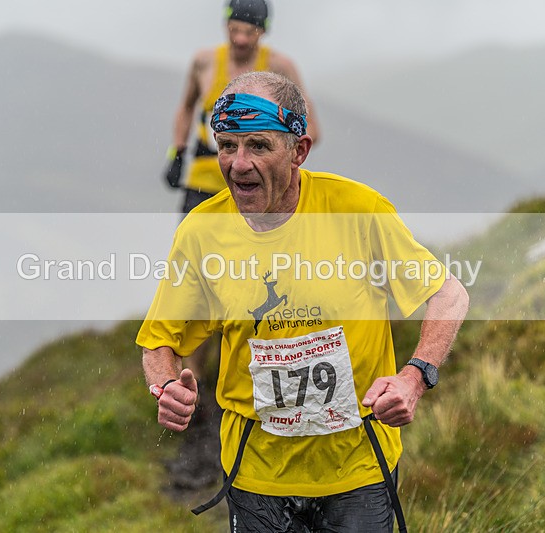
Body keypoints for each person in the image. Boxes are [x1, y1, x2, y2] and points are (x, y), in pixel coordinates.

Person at [139, 72, 469, 532]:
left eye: (258, 145)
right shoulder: (201, 232)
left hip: (357, 468)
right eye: (227, 145)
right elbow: (159, 341)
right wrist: (166, 387)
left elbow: (448, 294)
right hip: (256, 476)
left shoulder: (357, 209)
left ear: (299, 151)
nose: (238, 163)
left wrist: (415, 377)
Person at [164, 0, 320, 214]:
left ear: (264, 30)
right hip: (204, 181)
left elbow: (310, 127)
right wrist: (177, 153)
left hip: (256, 186)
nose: (240, 39)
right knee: (193, 244)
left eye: (250, 32)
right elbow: (186, 107)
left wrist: (281, 156)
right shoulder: (204, 62)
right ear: (225, 24)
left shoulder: (280, 67)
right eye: (234, 30)